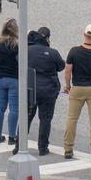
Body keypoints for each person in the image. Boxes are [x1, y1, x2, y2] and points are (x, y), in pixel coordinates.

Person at [61, 24, 91, 159]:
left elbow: (68, 70)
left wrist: (68, 86)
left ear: (84, 34)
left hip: (77, 87)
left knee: (72, 118)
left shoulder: (74, 51)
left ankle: (68, 148)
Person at [25, 27, 63, 157]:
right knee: (45, 119)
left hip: (31, 88)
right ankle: (42, 147)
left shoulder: (27, 50)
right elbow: (61, 66)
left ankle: (19, 145)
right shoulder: (52, 52)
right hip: (48, 90)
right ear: (47, 38)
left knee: (27, 117)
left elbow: (18, 60)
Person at [0, 19, 21, 145]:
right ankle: (12, 137)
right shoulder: (16, 44)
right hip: (13, 78)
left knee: (0, 107)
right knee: (14, 109)